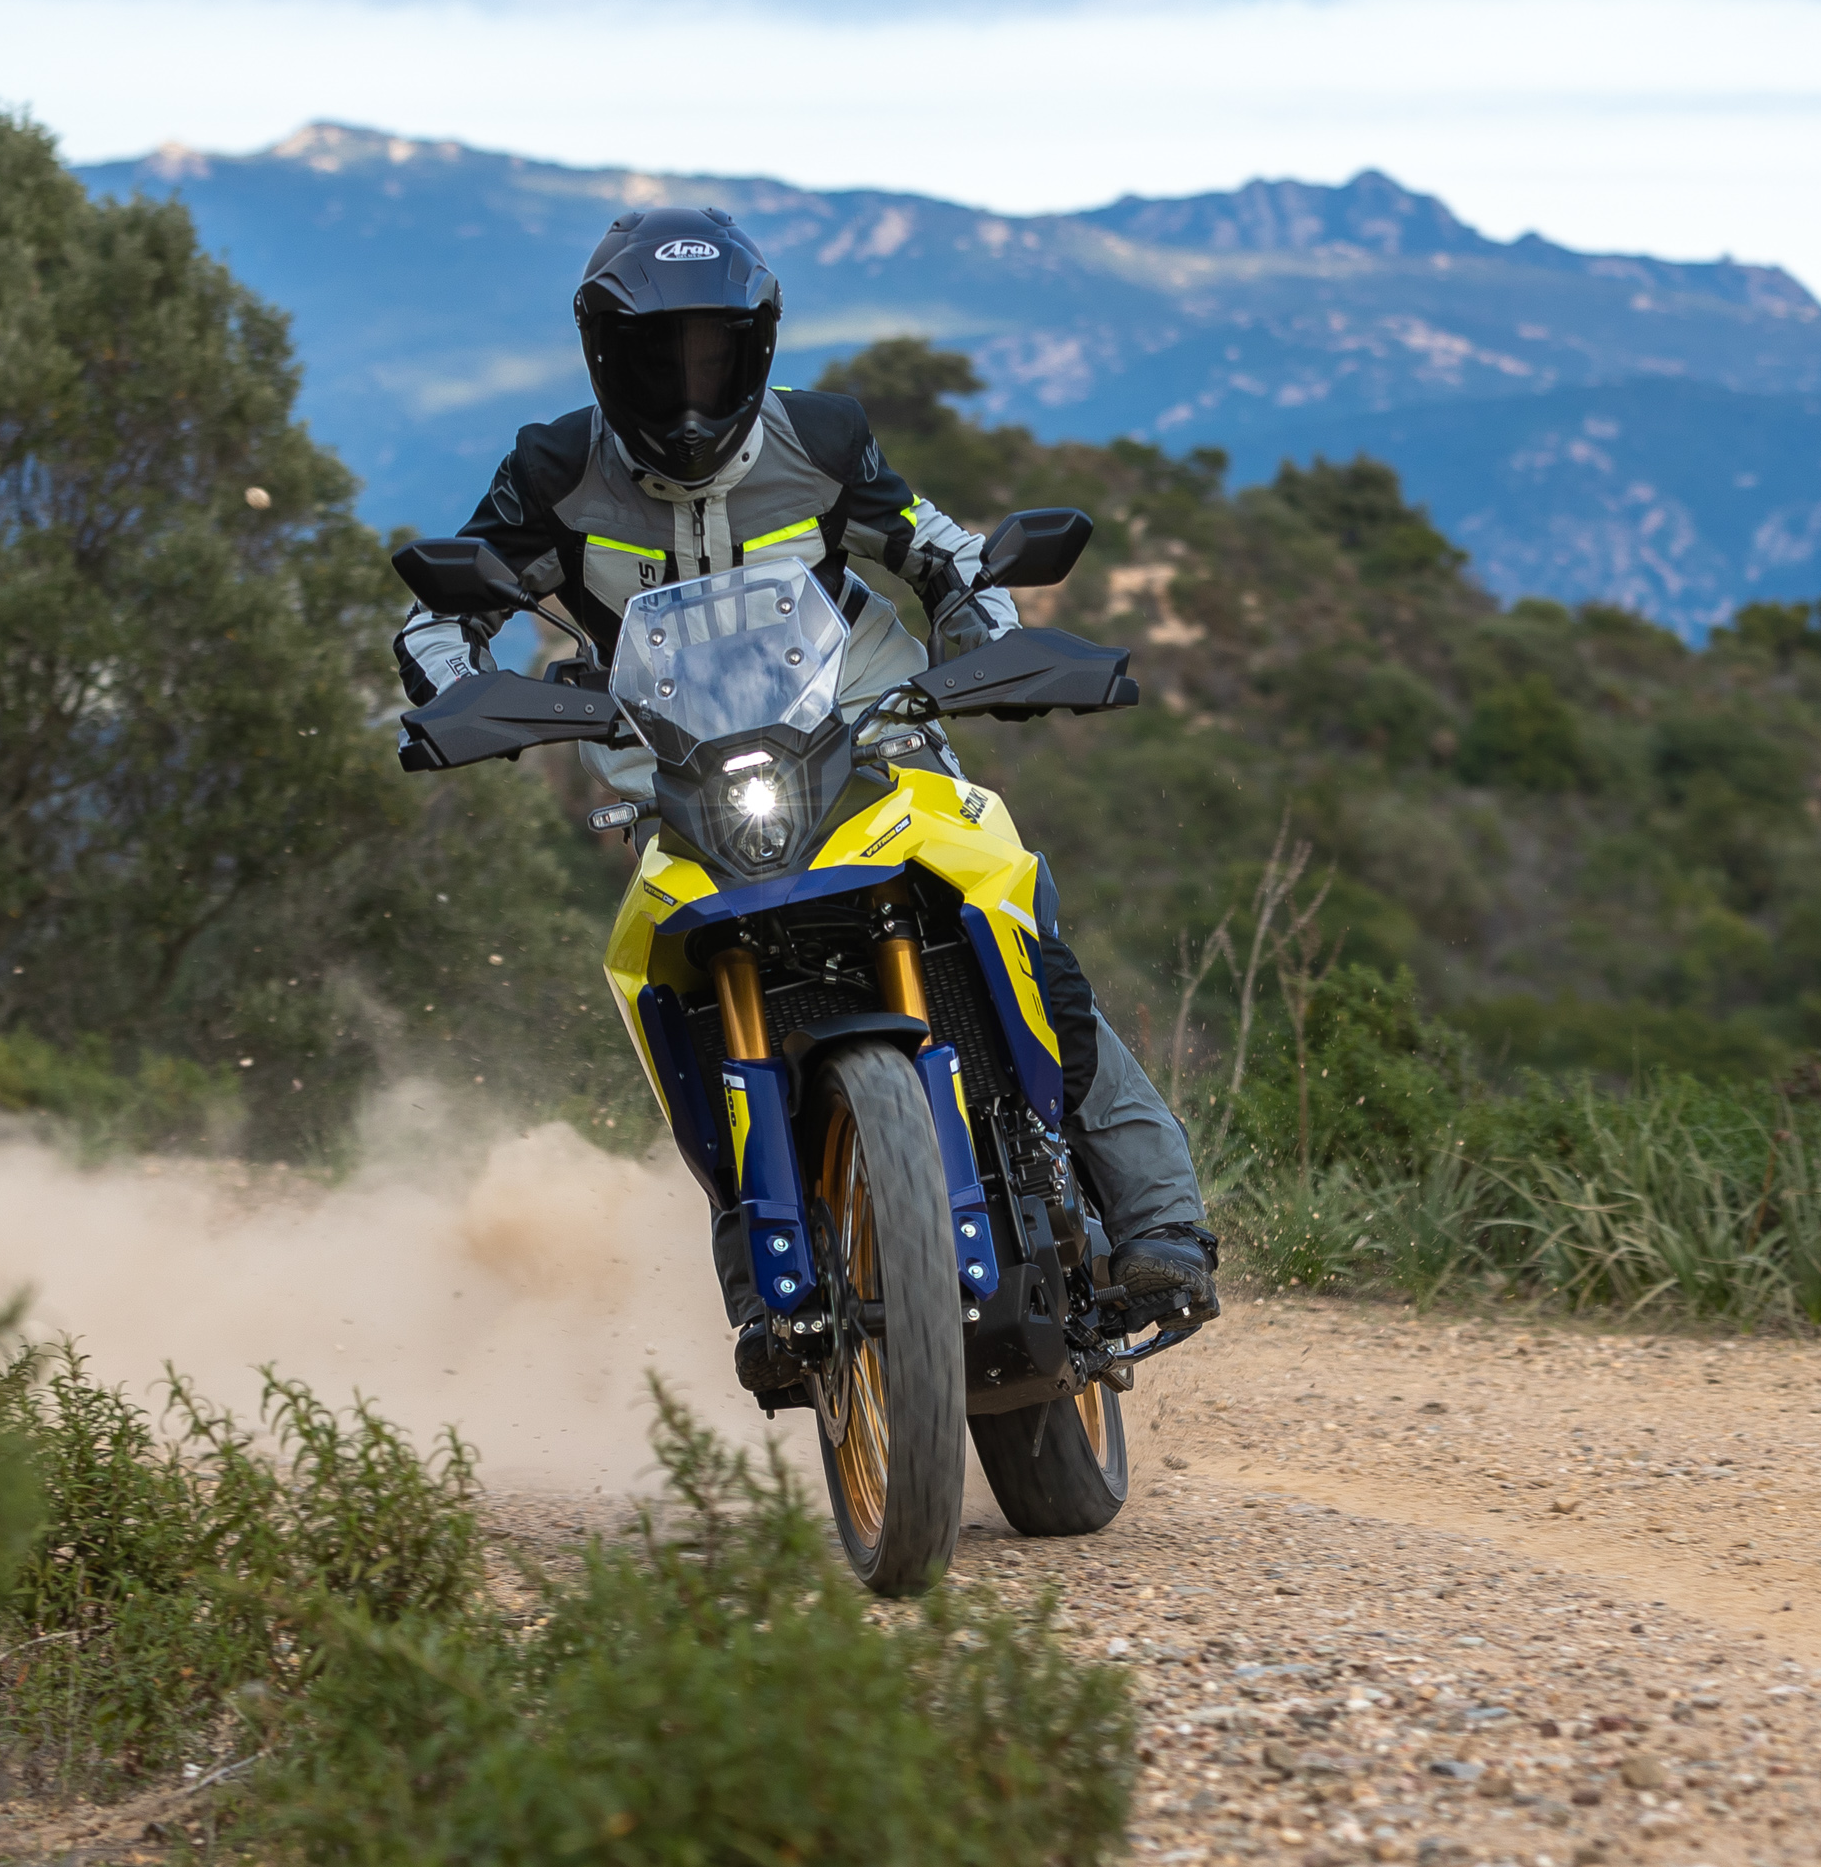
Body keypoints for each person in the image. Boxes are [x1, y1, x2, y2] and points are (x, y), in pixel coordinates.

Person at [394, 204, 1220, 1389]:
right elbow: (441, 612)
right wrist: (459, 697)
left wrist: (985, 647)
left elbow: (942, 552)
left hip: (868, 742)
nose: (687, 387)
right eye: (656, 356)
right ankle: (764, 1277)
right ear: (601, 356)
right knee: (666, 984)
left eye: (711, 354)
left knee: (1009, 917)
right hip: (673, 783)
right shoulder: (553, 472)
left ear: (757, 348)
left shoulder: (824, 440)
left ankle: (1156, 1217)